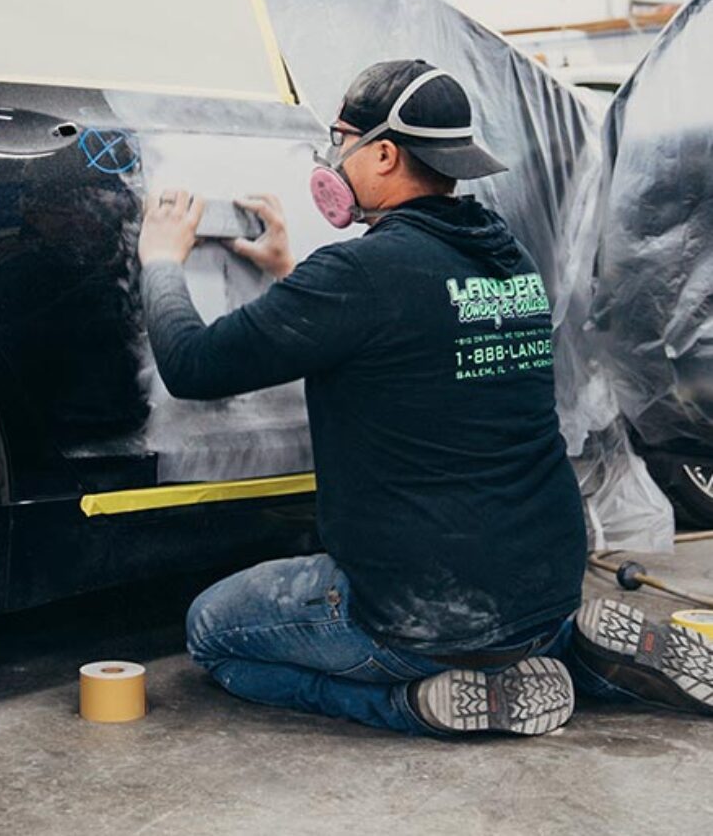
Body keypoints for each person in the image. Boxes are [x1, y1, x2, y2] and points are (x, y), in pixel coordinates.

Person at [137, 58, 713, 737]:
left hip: (422, 611)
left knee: (212, 633)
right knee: (508, 618)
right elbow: (407, 333)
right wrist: (293, 276)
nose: (331, 157)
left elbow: (193, 365)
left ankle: (410, 702)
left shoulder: (359, 275)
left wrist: (162, 261)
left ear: (383, 153)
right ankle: (576, 653)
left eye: (339, 139)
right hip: (547, 583)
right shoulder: (506, 256)